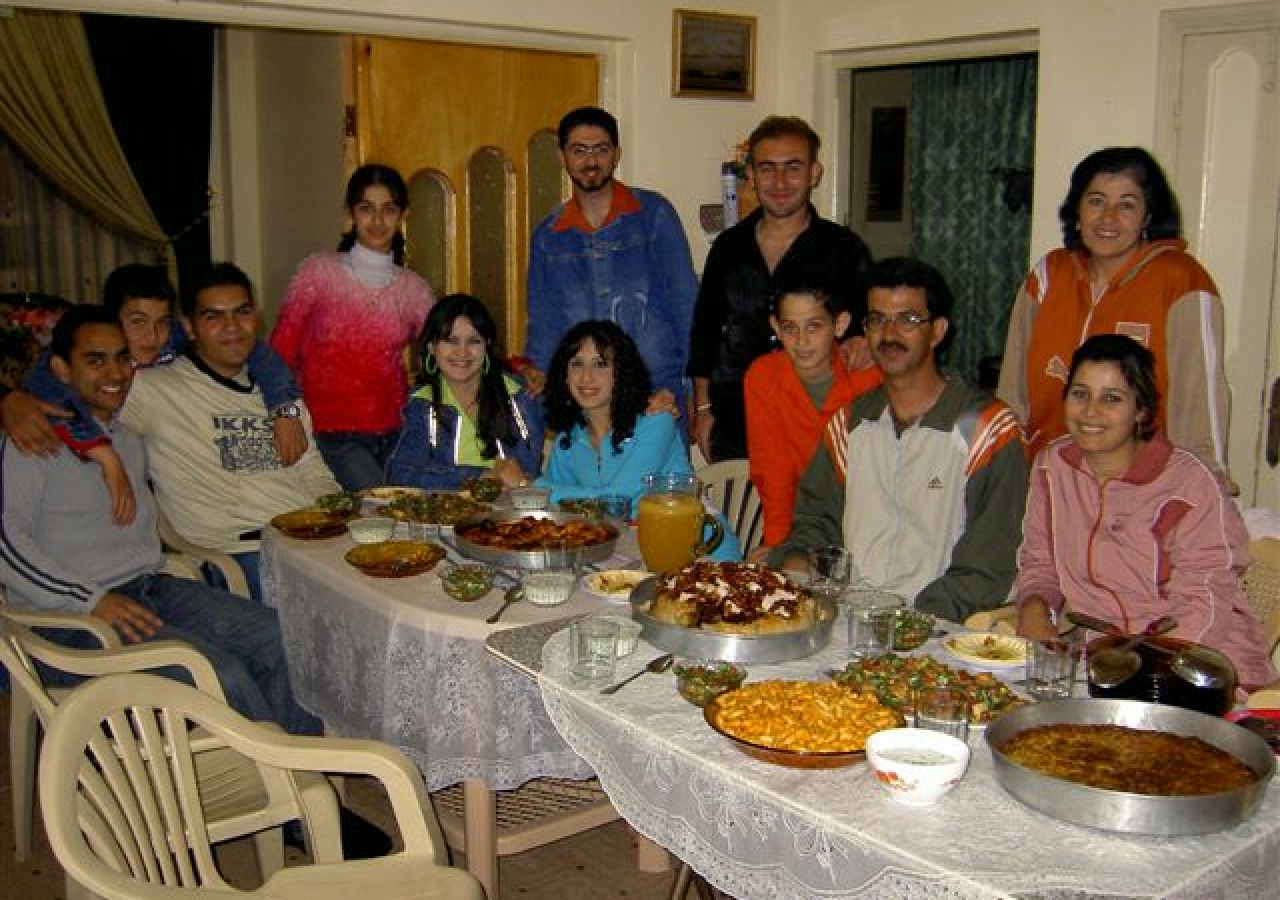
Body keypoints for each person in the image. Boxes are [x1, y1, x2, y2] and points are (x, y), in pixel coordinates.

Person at [0, 306, 318, 734]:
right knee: (219, 677)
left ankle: (300, 778)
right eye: (95, 360)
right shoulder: (29, 442)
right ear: (59, 368)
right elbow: (6, 545)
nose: (114, 372)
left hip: (149, 588)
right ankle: (274, 783)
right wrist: (90, 599)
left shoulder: (128, 436)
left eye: (121, 358)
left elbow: (250, 355)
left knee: (281, 641)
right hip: (73, 618)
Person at [771, 258, 1028, 622]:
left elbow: (989, 563)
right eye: (877, 320)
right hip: (848, 620)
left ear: (937, 331)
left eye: (907, 320)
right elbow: (817, 521)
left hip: (940, 627)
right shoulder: (850, 423)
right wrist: (795, 565)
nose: (889, 334)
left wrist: (911, 623)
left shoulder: (986, 428)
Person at [1015, 334, 1274, 688]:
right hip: (1101, 663)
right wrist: (1034, 606)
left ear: (1141, 410)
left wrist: (1147, 673)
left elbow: (1204, 602)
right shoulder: (1053, 467)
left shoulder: (1188, 483)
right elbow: (1040, 562)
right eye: (1080, 394)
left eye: (1111, 398)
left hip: (1202, 669)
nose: (1091, 411)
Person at [1, 265, 305, 525]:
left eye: (162, 322)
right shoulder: (73, 360)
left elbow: (260, 354)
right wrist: (101, 450)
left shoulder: (173, 338)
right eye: (137, 322)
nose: (152, 335)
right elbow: (47, 396)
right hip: (91, 467)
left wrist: (284, 409)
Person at [997, 146, 1229, 469]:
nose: (1108, 218)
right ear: (1077, 210)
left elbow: (1199, 404)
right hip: (1046, 479)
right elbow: (1012, 396)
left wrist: (1203, 486)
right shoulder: (1048, 276)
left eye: (1127, 205)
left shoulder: (1180, 280)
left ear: (1148, 216)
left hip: (1139, 488)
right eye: (1096, 201)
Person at [120, 263, 339, 603]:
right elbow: (80, 393)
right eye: (213, 317)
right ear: (189, 328)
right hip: (239, 555)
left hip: (311, 542)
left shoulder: (281, 396)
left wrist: (337, 517)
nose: (232, 328)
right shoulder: (151, 389)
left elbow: (312, 469)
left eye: (242, 313)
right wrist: (16, 402)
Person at [687, 115, 873, 463]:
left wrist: (862, 340)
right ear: (752, 176)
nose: (780, 181)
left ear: (814, 173)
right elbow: (705, 333)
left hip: (815, 424)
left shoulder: (845, 249)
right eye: (767, 168)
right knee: (740, 518)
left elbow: (866, 329)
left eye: (793, 167)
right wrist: (703, 408)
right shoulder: (728, 247)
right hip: (735, 420)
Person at [522, 106, 699, 410]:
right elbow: (544, 323)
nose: (591, 161)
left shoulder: (653, 215)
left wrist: (696, 392)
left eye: (601, 150)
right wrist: (540, 384)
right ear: (561, 156)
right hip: (584, 397)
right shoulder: (549, 237)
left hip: (658, 394)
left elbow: (686, 304)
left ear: (616, 154)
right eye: (579, 150)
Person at [271, 163, 435, 491]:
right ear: (351, 214)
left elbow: (449, 349)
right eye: (366, 209)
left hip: (396, 432)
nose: (377, 221)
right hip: (333, 434)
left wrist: (517, 371)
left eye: (388, 209)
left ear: (403, 215)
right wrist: (284, 413)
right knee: (383, 515)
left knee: (400, 523)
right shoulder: (318, 273)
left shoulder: (414, 289)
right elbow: (279, 352)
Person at [537, 320, 741, 561]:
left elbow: (619, 497)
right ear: (564, 375)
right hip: (626, 552)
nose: (586, 377)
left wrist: (531, 486)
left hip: (699, 550)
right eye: (577, 364)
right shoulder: (567, 440)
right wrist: (544, 493)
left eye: (600, 364)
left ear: (620, 372)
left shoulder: (656, 420)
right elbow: (556, 512)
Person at [744, 284, 881, 559]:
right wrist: (778, 545)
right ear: (776, 327)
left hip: (865, 521)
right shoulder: (764, 376)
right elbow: (773, 470)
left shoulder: (869, 377)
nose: (802, 341)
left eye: (814, 326)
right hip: (801, 527)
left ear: (839, 325)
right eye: (790, 328)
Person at [386, 293, 544, 490]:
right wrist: (479, 477)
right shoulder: (421, 404)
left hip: (511, 515)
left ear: (487, 345)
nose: (462, 352)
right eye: (451, 340)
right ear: (432, 347)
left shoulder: (521, 395)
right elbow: (400, 474)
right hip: (445, 516)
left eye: (473, 341)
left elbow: (526, 473)